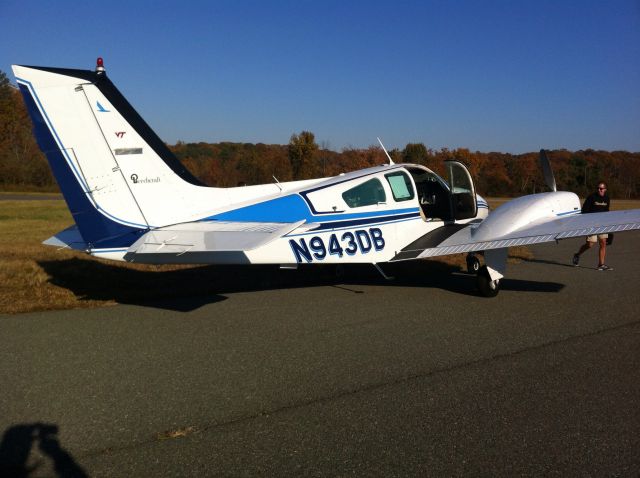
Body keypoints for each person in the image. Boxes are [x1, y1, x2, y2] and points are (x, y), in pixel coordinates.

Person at [572, 181, 612, 270]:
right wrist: (586, 224)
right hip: (591, 224)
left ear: (605, 189)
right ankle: (577, 254)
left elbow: (607, 212)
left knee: (603, 243)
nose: (599, 190)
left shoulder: (607, 198)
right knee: (590, 244)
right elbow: (584, 211)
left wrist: (610, 228)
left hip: (602, 224)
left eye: (601, 188)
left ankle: (601, 264)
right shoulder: (591, 197)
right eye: (598, 188)